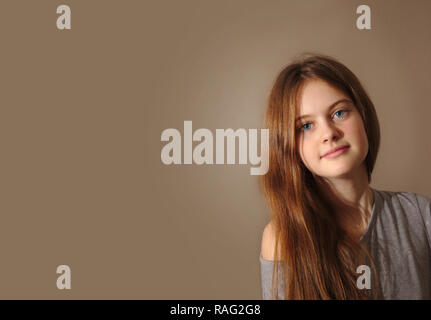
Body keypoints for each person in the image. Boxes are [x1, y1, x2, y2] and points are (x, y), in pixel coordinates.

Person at [259, 53, 431, 300]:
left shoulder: (421, 215)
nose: (329, 133)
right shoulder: (282, 238)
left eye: (339, 113)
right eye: (306, 126)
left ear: (363, 116)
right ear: (290, 147)